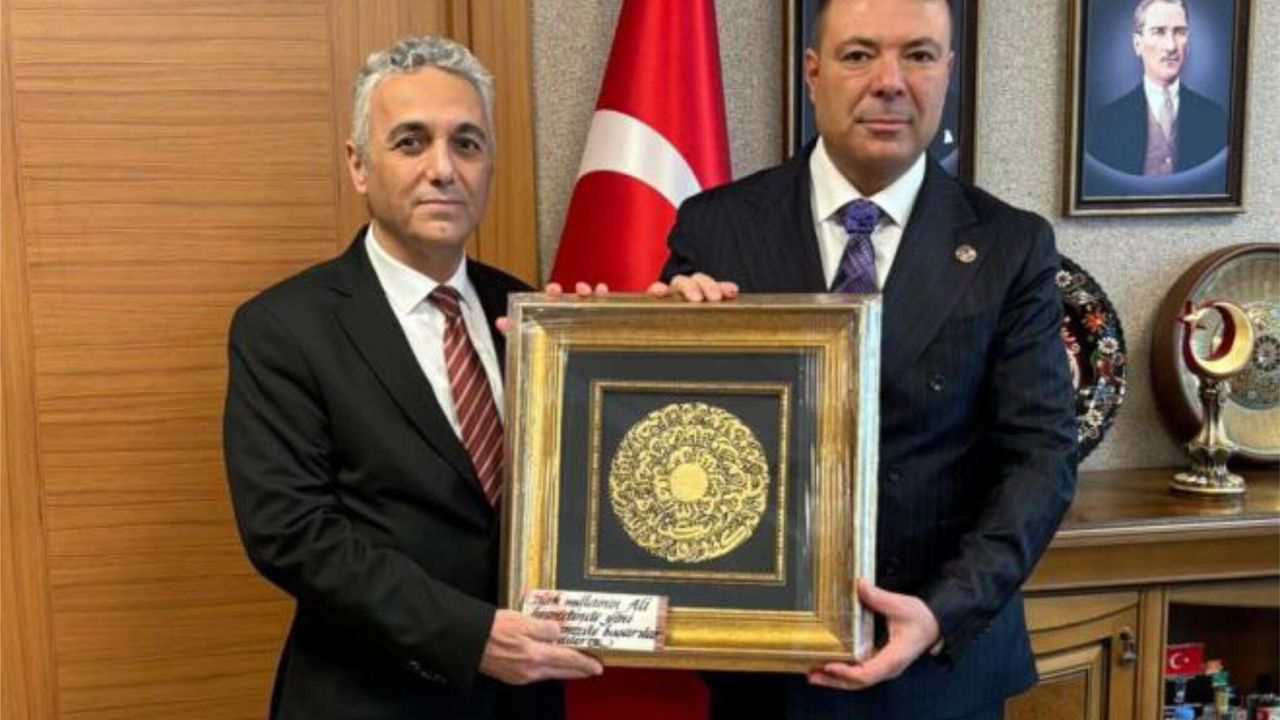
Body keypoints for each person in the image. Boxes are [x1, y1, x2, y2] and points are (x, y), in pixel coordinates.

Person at [653, 1, 1077, 718]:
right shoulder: (715, 228)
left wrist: (940, 612)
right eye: (858, 55)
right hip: (765, 666)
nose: (889, 81)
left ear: (947, 73)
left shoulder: (1012, 245)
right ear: (813, 74)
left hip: (940, 668)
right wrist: (655, 344)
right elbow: (671, 436)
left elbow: (1040, 457)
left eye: (919, 55)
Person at [222, 36, 602, 720]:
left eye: (467, 143)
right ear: (358, 165)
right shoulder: (283, 327)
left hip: (526, 701)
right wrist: (471, 637)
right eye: (410, 142)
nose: (443, 169)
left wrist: (653, 347)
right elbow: (291, 533)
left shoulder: (532, 315)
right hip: (369, 698)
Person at [1087, 0, 1228, 176]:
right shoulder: (1107, 122)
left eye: (1180, 32)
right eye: (1159, 32)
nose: (1171, 46)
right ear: (1138, 44)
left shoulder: (1214, 119)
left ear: (1188, 44)